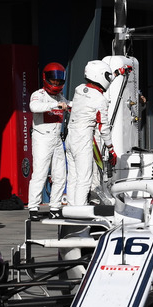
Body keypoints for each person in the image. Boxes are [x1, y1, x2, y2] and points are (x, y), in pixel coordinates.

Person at [66, 60, 121, 206]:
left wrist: (117, 73)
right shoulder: (100, 99)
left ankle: (71, 209)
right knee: (84, 179)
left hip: (70, 136)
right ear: (100, 76)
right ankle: (80, 213)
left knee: (72, 177)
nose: (109, 78)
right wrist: (111, 149)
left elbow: (101, 82)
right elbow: (104, 127)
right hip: (84, 137)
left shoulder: (79, 89)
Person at [27, 62, 70, 220]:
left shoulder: (61, 97)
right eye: (53, 80)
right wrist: (54, 105)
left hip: (57, 139)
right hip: (42, 138)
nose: (56, 83)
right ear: (46, 79)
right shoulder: (39, 94)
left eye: (59, 81)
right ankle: (33, 207)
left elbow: (70, 105)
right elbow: (34, 106)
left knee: (60, 175)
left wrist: (69, 106)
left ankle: (55, 207)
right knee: (40, 173)